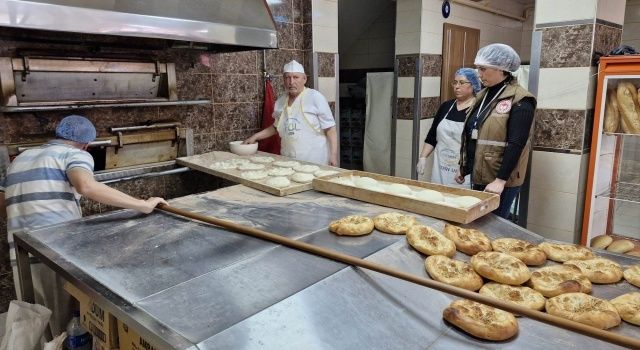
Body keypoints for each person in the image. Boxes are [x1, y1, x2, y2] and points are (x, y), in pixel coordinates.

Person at [0, 115, 168, 336]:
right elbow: (86, 186)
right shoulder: (75, 154)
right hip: (53, 253)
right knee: (64, 329)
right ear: (87, 144)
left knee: (35, 324)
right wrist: (142, 205)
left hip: (21, 253)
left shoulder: (20, 159)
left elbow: (3, 203)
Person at [455, 43, 536, 219]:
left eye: (483, 69)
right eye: (478, 68)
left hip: (501, 180)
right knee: (477, 224)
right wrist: (465, 168)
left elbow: (517, 143)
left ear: (501, 69)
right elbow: (475, 134)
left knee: (491, 226)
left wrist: (500, 180)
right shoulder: (484, 95)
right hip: (480, 174)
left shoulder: (521, 100)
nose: (479, 73)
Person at [244, 60, 338, 165]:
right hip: (288, 160)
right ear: (283, 80)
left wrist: (333, 155)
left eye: (296, 77)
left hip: (315, 160)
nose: (291, 82)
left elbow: (330, 129)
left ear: (304, 79)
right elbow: (276, 127)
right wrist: (255, 137)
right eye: (287, 77)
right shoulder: (280, 102)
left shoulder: (315, 97)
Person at [416, 68, 481, 187]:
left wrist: (465, 168)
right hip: (440, 168)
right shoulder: (446, 107)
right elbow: (432, 137)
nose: (456, 86)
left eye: (461, 83)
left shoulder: (478, 110)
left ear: (473, 85)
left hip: (463, 172)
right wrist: (423, 157)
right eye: (455, 82)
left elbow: (478, 146)